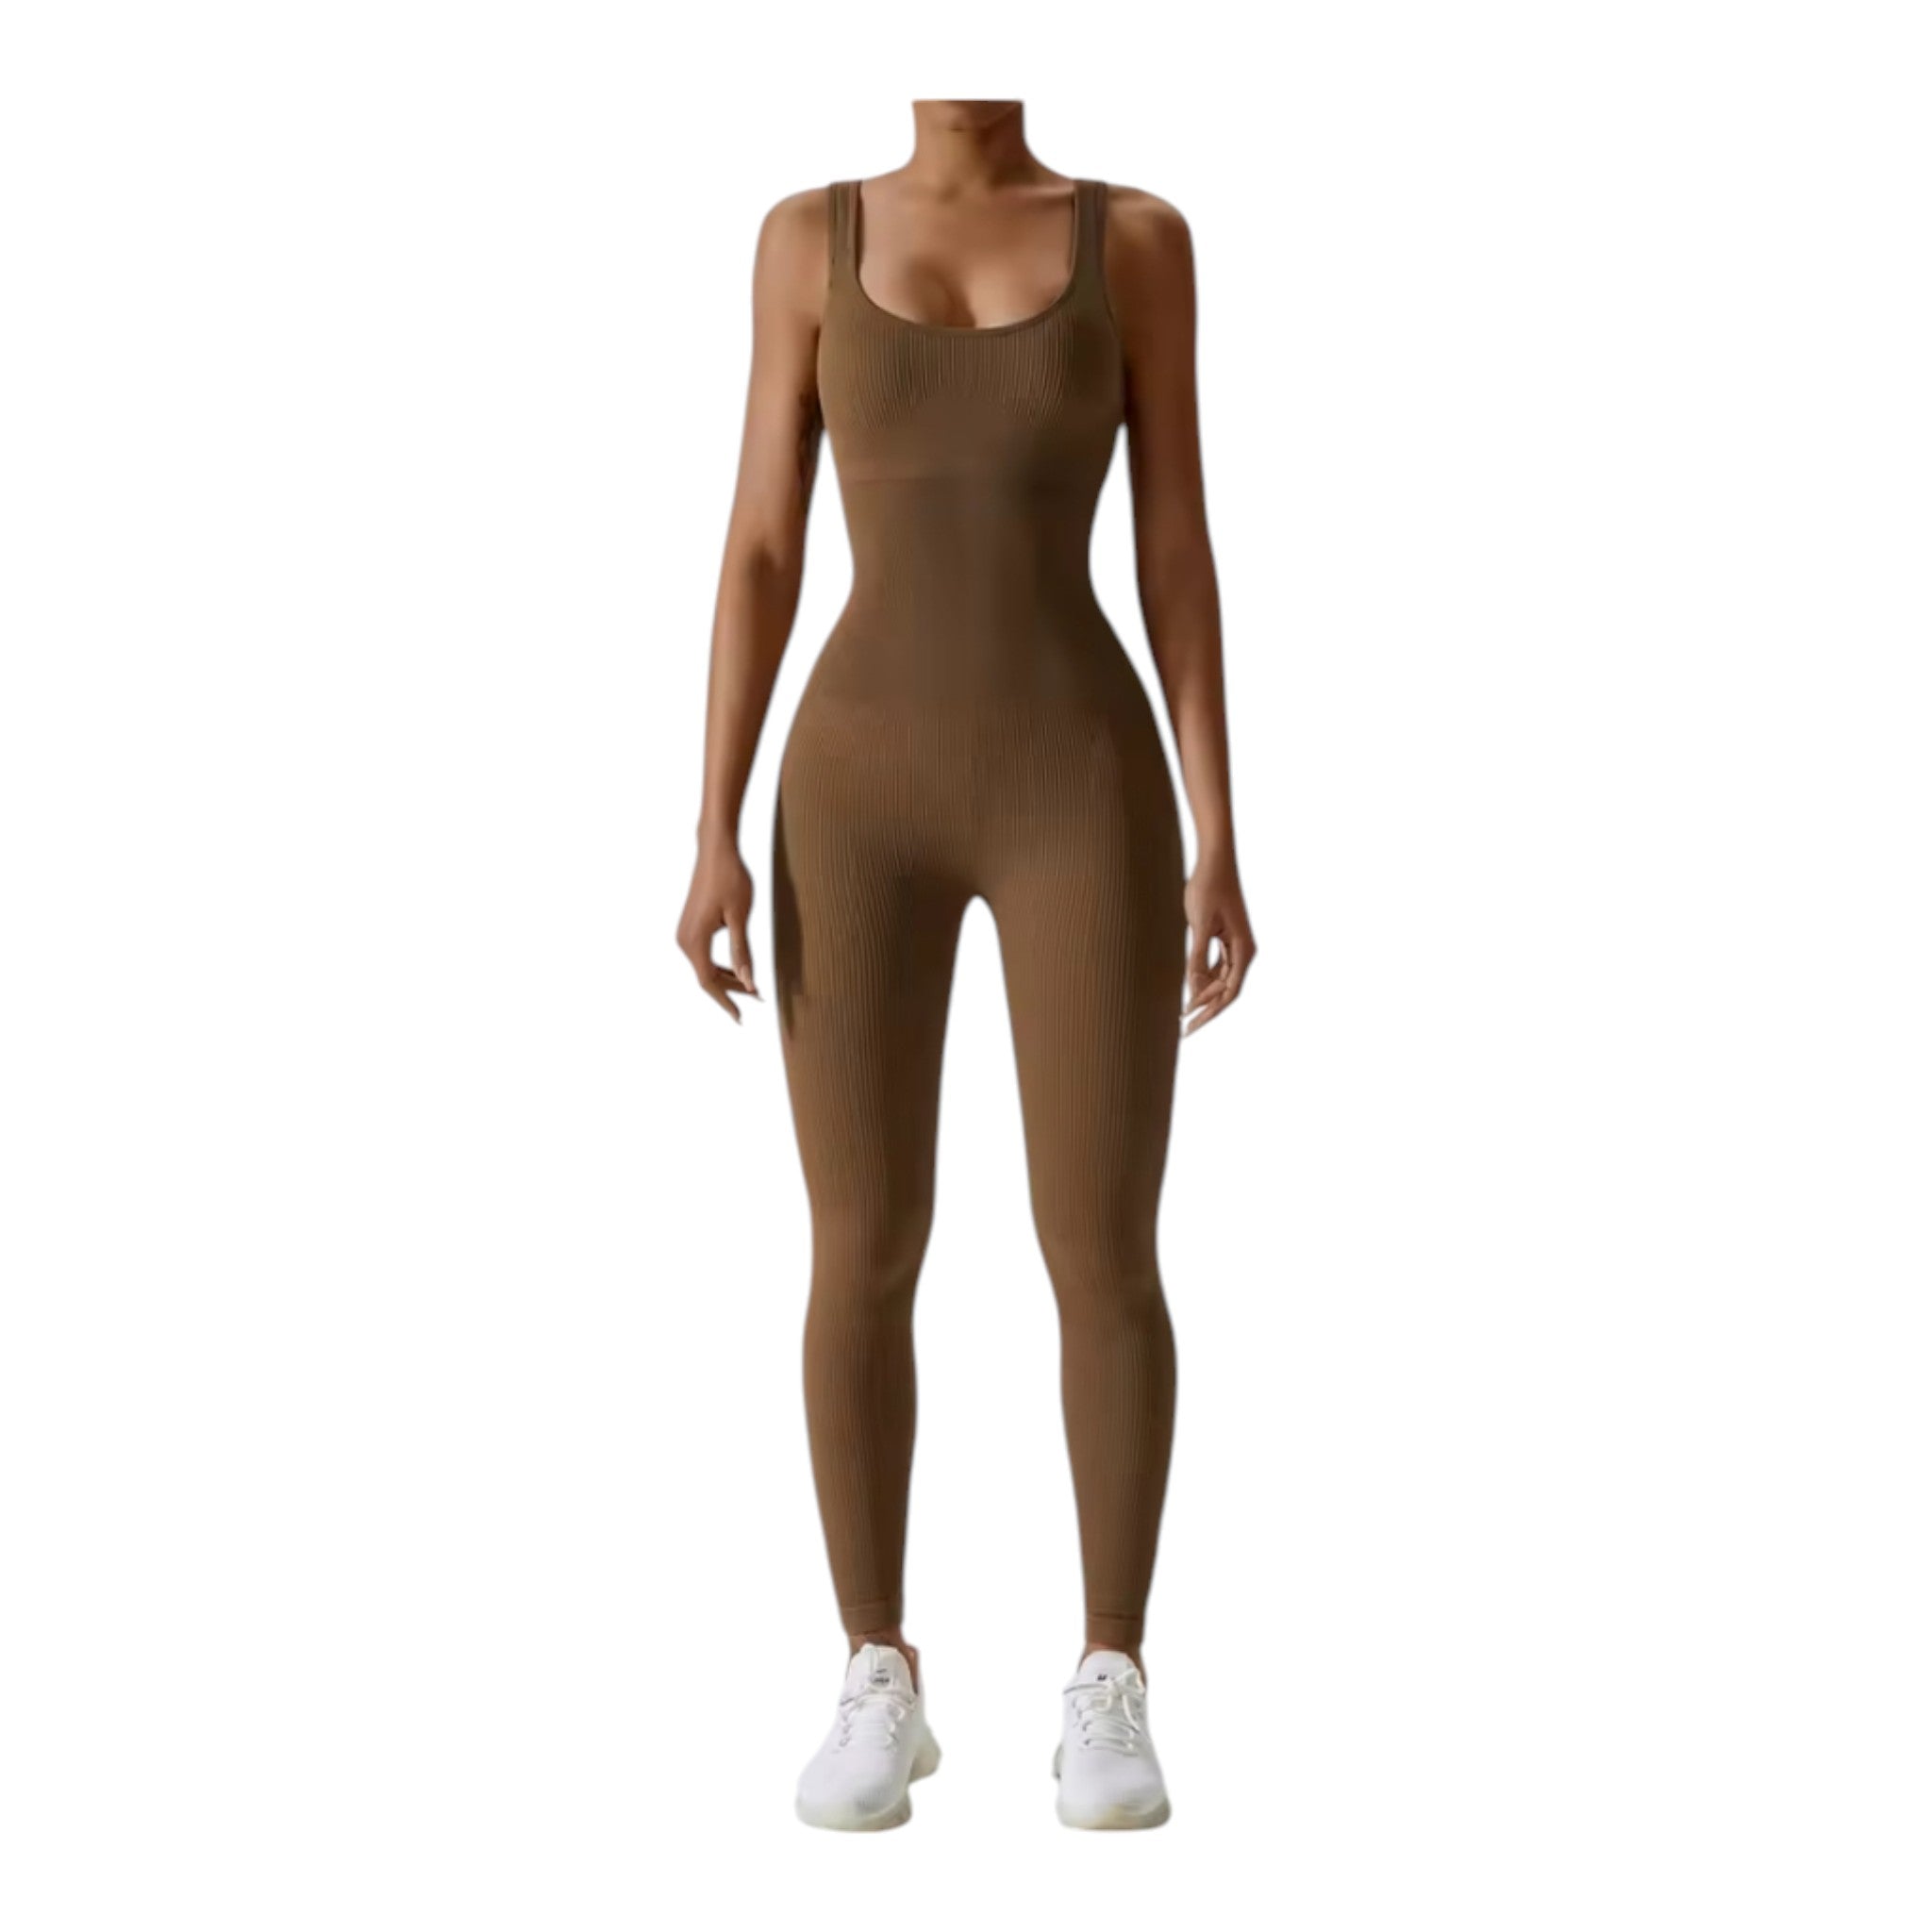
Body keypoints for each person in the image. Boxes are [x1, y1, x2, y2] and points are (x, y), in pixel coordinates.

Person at [676, 100, 1257, 1831]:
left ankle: (1111, 1674)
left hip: (1082, 784)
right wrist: (711, 823)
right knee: (861, 1246)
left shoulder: (1134, 238)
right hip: (855, 791)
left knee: (1103, 1246)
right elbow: (762, 542)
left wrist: (1221, 826)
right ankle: (877, 1666)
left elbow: (1175, 542)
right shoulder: (806, 237)